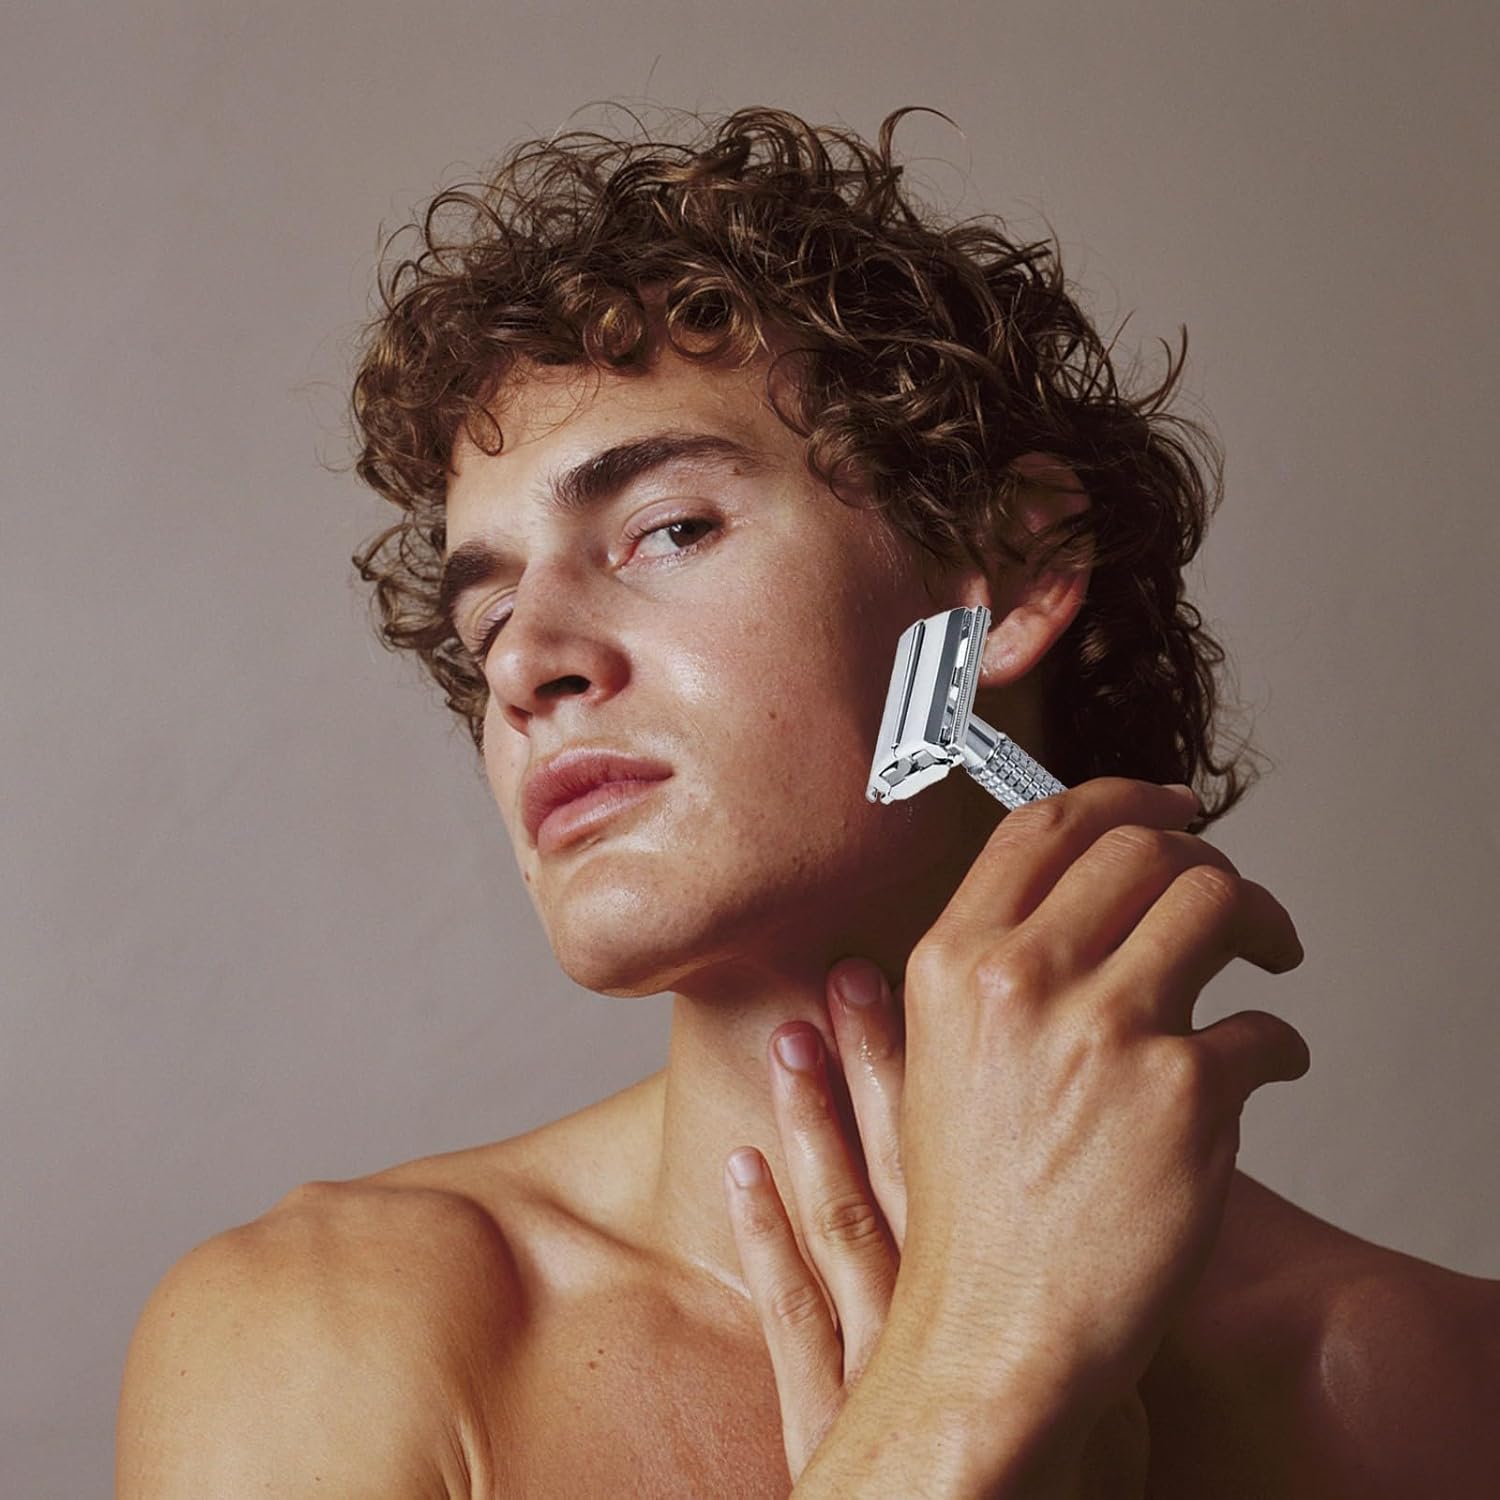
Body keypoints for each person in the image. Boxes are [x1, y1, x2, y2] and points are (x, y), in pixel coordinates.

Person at [116, 106, 1498, 1497]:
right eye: (487, 625)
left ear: (1011, 567)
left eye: (669, 531)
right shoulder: (322, 1336)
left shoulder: (1422, 1395)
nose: (528, 666)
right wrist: (961, 1396)